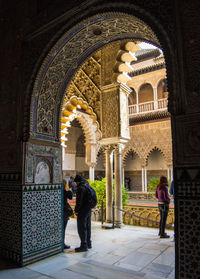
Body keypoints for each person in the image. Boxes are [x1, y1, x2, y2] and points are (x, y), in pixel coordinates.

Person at [74, 174, 92, 252]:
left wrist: (76, 210)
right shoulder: (87, 186)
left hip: (83, 211)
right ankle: (88, 243)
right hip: (88, 210)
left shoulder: (80, 188)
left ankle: (83, 245)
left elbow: (79, 201)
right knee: (88, 226)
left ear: (77, 182)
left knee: (82, 228)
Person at [63, 180, 73, 249]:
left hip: (59, 212)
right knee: (63, 229)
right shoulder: (64, 191)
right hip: (64, 212)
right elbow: (70, 196)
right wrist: (68, 189)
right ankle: (62, 244)